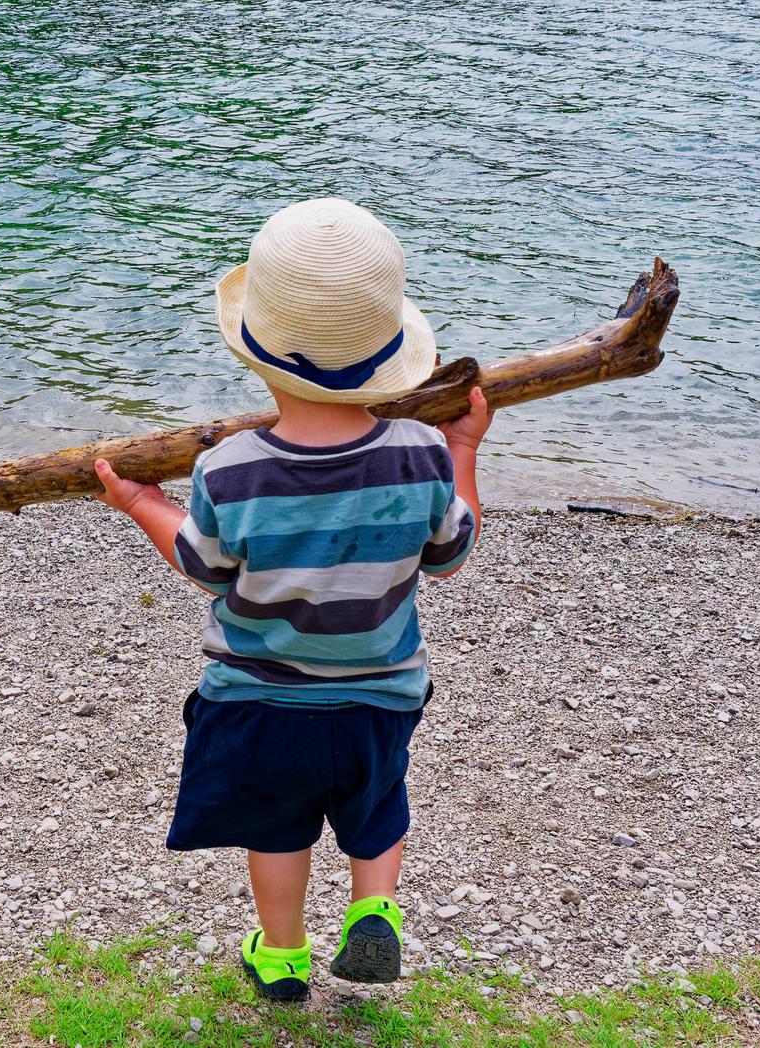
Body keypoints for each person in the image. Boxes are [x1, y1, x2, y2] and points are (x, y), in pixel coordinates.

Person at [91, 197, 491, 1001]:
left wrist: (141, 503)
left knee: (276, 827)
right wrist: (464, 448)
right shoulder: (418, 456)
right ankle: (374, 910)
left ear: (256, 350)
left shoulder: (232, 468)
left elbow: (206, 566)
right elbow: (451, 553)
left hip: (260, 698)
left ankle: (281, 958)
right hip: (379, 692)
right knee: (376, 809)